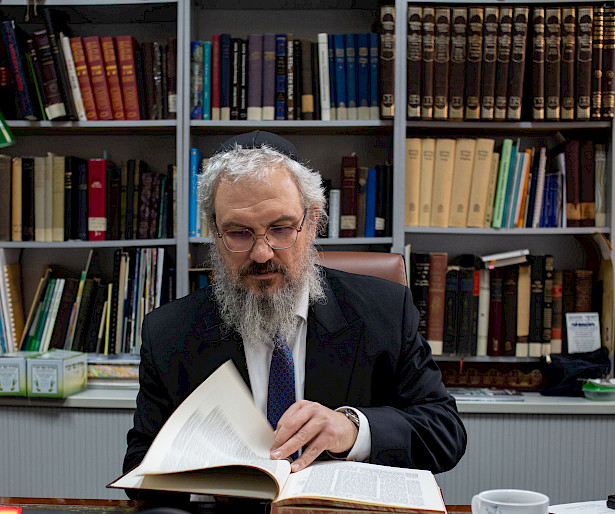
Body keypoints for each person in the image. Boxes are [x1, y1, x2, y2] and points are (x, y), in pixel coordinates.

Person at [123, 131, 466, 479]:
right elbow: (139, 463)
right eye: (239, 233)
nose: (261, 253)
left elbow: (444, 433)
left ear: (312, 222)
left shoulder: (385, 311)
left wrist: (351, 428)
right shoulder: (168, 333)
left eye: (281, 229)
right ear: (215, 233)